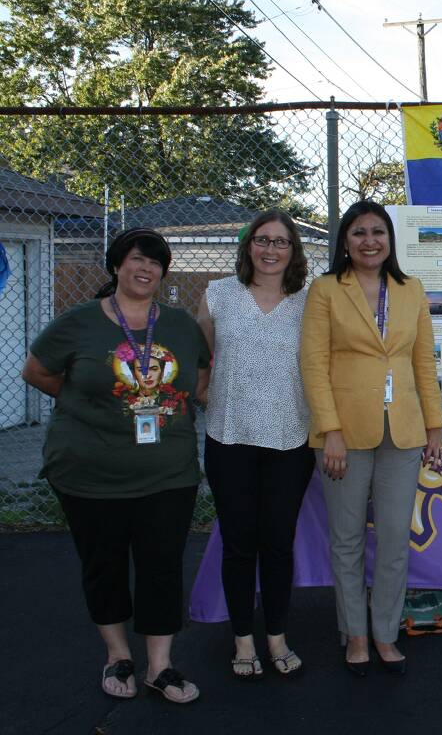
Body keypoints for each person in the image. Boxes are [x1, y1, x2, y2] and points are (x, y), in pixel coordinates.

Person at [21, 228, 210, 703]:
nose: (144, 268)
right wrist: (85, 407)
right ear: (116, 265)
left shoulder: (182, 324)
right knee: (103, 566)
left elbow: (201, 374)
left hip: (168, 474)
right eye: (135, 259)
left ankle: (160, 667)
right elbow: (36, 371)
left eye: (154, 262)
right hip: (90, 473)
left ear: (163, 271)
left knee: (162, 567)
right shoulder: (79, 322)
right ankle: (117, 656)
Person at [300, 201, 442, 677]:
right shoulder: (325, 290)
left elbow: (423, 364)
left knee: (393, 540)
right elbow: (313, 365)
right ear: (345, 240)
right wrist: (331, 432)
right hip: (344, 433)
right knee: (346, 541)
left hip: (402, 432)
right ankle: (355, 633)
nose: (370, 241)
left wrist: (435, 428)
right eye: (359, 232)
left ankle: (384, 632)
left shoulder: (410, 289)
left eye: (378, 232)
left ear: (390, 240)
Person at [196, 211, 313, 679]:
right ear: (248, 247)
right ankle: (243, 639)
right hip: (230, 437)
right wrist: (208, 393)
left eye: (281, 242)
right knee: (239, 543)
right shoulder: (218, 294)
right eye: (262, 240)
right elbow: (202, 360)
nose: (270, 250)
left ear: (294, 250)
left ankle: (277, 636)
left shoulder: (310, 300)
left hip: (290, 439)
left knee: (278, 543)